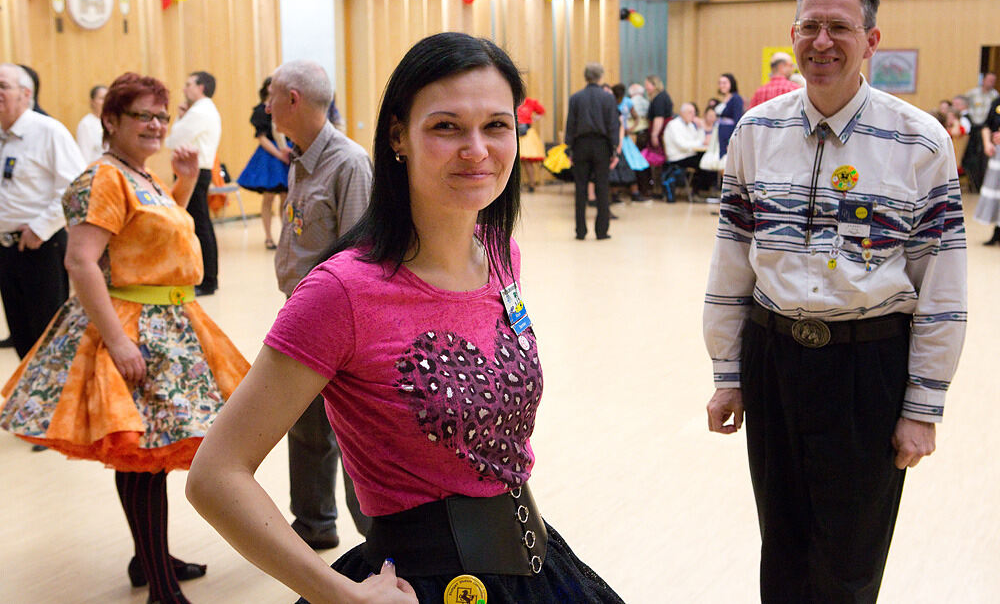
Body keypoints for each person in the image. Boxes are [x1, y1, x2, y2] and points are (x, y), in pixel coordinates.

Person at [186, 31, 624, 604]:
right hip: (424, 581)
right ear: (398, 136)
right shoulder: (341, 291)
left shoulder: (499, 252)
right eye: (446, 127)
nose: (477, 149)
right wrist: (336, 592)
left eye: (496, 125)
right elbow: (216, 475)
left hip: (533, 563)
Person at [704, 0, 967, 602]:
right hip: (775, 359)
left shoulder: (919, 140)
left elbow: (943, 283)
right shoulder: (755, 133)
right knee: (784, 544)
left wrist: (923, 406)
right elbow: (732, 259)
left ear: (871, 39)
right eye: (810, 27)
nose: (822, 42)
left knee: (850, 558)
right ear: (792, 35)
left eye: (840, 28)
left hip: (868, 366)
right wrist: (727, 372)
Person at [0, 72, 250, 604]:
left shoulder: (141, 175)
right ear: (111, 121)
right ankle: (159, 582)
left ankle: (150, 558)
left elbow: (160, 237)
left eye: (162, 115)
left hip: (168, 325)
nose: (157, 124)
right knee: (143, 455)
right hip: (134, 327)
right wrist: (117, 342)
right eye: (144, 115)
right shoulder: (104, 178)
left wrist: (182, 182)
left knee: (156, 453)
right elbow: (81, 259)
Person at [270, 59, 374, 548]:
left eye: (270, 96)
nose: (265, 106)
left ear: (292, 99)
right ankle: (314, 524)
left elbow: (361, 256)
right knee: (306, 426)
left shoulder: (348, 163)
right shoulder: (301, 157)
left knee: (354, 436)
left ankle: (382, 539)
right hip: (301, 313)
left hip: (339, 323)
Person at [0, 63, 86, 360]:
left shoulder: (48, 131)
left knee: (49, 337)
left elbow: (75, 186)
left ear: (26, 94)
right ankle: (29, 403)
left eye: (2, 86)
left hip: (41, 247)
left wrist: (41, 227)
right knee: (21, 337)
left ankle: (57, 404)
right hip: (6, 250)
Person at [166, 70, 221, 296]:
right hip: (197, 171)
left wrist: (181, 118)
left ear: (201, 88)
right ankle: (206, 278)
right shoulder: (201, 110)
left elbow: (173, 140)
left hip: (196, 173)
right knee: (200, 225)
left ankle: (208, 281)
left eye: (188, 84)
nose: (184, 88)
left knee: (200, 226)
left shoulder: (200, 111)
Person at [565, 63, 619, 240]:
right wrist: (614, 149)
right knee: (602, 188)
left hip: (580, 145)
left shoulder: (575, 98)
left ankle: (580, 231)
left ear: (585, 76)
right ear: (600, 76)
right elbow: (613, 125)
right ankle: (601, 231)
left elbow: (570, 124)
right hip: (602, 146)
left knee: (580, 188)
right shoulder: (608, 98)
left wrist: (569, 148)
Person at [237, 76, 290, 249]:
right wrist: (279, 154)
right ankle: (268, 236)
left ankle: (285, 235)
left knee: (286, 197)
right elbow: (261, 138)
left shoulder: (286, 106)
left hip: (286, 152)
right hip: (269, 156)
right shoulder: (260, 111)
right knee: (268, 197)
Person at [663, 102, 709, 198]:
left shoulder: (690, 125)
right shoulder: (673, 125)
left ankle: (697, 191)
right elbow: (682, 145)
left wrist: (700, 127)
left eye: (694, 113)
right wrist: (699, 143)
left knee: (706, 160)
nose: (693, 115)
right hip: (677, 157)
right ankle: (695, 192)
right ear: (682, 113)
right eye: (690, 112)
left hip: (688, 155)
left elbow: (700, 140)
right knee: (703, 163)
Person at [961, 72, 998, 191]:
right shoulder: (973, 93)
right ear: (983, 80)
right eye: (989, 80)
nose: (990, 83)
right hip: (974, 128)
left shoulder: (995, 96)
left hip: (988, 128)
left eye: (993, 81)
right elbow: (962, 103)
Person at [641, 75, 673, 195]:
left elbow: (659, 118)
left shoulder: (659, 98)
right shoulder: (662, 96)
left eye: (647, 84)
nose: (646, 87)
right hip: (661, 131)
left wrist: (654, 135)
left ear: (654, 85)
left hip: (659, 132)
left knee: (656, 161)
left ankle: (658, 189)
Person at [975, 95, 1000, 245]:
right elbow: (986, 125)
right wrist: (987, 144)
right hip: (998, 154)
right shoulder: (997, 102)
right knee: (996, 193)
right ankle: (997, 231)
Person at [516, 94, 546, 192]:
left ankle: (531, 184)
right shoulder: (512, 101)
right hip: (515, 133)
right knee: (515, 162)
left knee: (527, 161)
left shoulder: (530, 102)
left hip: (526, 133)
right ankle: (515, 185)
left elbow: (541, 111)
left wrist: (533, 119)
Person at [714, 73, 744, 161]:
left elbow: (737, 119)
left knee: (726, 159)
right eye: (720, 83)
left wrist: (733, 138)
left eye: (724, 83)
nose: (721, 85)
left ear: (731, 83)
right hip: (720, 131)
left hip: (728, 132)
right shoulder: (724, 99)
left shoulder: (736, 98)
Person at [76, 84, 108, 162]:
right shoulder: (86, 124)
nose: (105, 102)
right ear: (92, 101)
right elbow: (85, 156)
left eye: (107, 98)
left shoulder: (112, 122)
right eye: (102, 98)